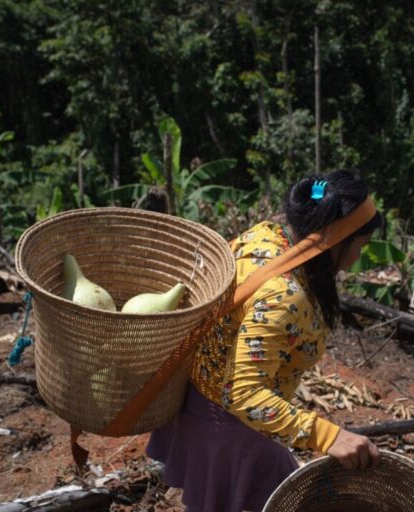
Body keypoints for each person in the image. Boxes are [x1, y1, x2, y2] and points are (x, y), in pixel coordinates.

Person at [146, 169, 385, 512]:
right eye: (359, 245)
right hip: (233, 431)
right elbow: (242, 393)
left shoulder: (264, 237)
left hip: (201, 404)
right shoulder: (284, 295)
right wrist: (329, 436)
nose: (359, 256)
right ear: (335, 238)